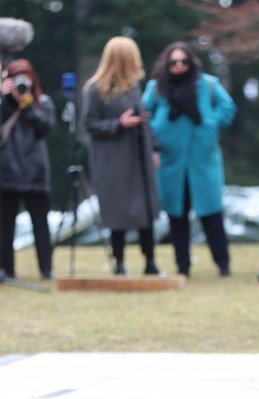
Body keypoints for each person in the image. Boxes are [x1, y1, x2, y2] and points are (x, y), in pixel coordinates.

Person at [142, 41, 236, 277]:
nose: (179, 66)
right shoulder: (156, 87)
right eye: (174, 62)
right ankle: (182, 266)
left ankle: (222, 263)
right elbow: (143, 113)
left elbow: (227, 107)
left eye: (184, 61)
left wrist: (211, 122)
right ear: (167, 63)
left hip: (202, 157)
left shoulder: (207, 84)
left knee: (211, 212)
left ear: (191, 62)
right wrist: (157, 131)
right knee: (177, 215)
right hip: (171, 159)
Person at [83, 37, 161, 276]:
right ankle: (119, 263)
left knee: (146, 211)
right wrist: (118, 123)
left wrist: (153, 149)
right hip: (113, 160)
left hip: (138, 157)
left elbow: (144, 121)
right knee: (118, 212)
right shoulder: (96, 89)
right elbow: (89, 123)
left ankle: (150, 262)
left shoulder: (134, 86)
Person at [0, 59, 55, 280]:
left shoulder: (43, 102)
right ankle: (6, 269)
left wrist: (27, 104)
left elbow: (46, 127)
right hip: (6, 172)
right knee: (4, 227)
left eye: (26, 77)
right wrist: (6, 102)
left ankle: (46, 268)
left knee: (41, 224)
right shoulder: (3, 102)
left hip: (35, 173)